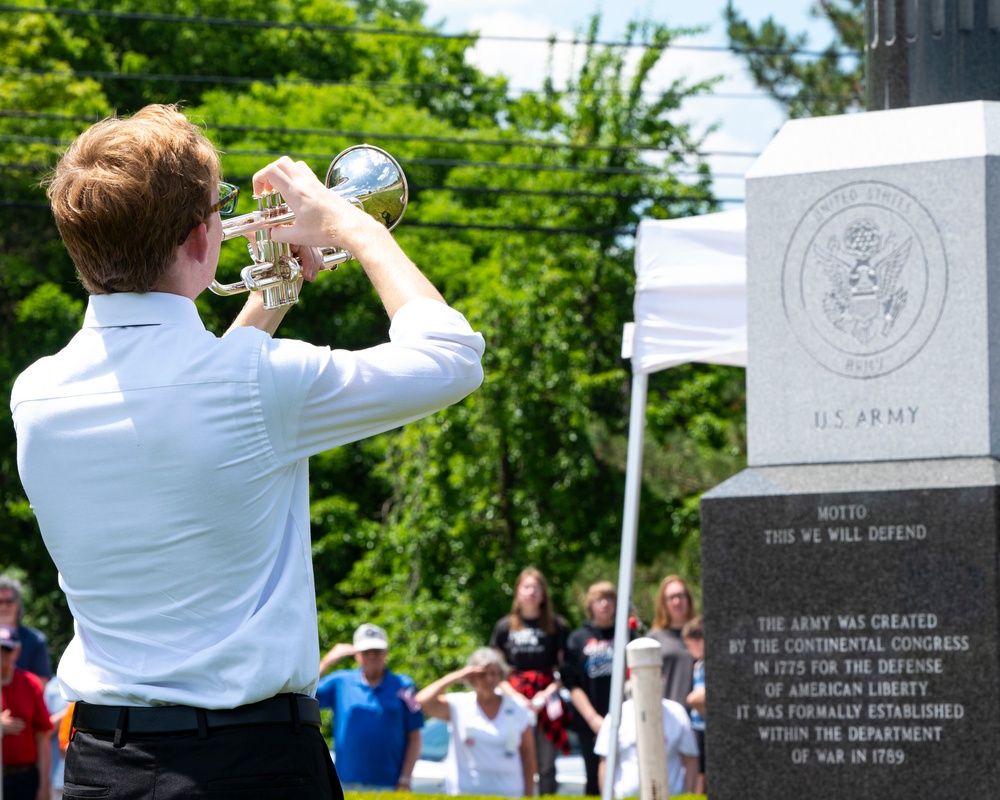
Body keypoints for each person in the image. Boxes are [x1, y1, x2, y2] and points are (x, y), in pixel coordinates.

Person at [10, 104, 485, 800]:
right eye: (220, 207)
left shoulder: (36, 393)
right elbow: (453, 358)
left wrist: (272, 297)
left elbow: (187, 409)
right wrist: (350, 224)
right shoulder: (257, 382)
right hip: (254, 763)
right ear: (203, 236)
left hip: (102, 766)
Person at [490, 567, 571, 795]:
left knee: (546, 764)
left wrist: (544, 696)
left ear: (544, 594)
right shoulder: (504, 626)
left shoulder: (557, 626)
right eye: (526, 587)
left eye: (536, 588)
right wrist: (516, 697)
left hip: (545, 700)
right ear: (517, 592)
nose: (531, 592)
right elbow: (494, 670)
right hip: (512, 699)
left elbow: (564, 670)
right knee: (513, 758)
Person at [416, 647, 536, 798]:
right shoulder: (459, 704)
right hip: (465, 793)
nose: (489, 679)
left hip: (510, 793)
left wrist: (529, 794)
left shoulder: (517, 708)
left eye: (494, 674)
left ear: (501, 676)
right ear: (472, 677)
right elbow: (422, 701)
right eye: (482, 674)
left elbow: (528, 755)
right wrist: (457, 675)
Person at [316, 623, 423, 790]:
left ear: (386, 653)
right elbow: (306, 693)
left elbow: (415, 735)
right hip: (346, 780)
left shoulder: (403, 685)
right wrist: (327, 661)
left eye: (377, 651)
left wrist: (405, 779)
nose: (372, 656)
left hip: (390, 782)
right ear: (356, 655)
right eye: (366, 652)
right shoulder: (341, 682)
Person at [562, 581, 630, 796]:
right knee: (595, 779)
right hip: (591, 722)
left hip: (626, 721)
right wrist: (593, 719)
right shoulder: (577, 638)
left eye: (610, 599)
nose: (605, 604)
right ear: (590, 604)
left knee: (627, 778)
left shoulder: (628, 634)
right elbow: (571, 683)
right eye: (599, 599)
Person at [593, 687, 699, 798]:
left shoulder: (676, 712)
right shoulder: (617, 714)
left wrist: (688, 795)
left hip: (671, 796)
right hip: (625, 796)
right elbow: (606, 763)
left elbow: (690, 759)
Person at [1, 624, 53, 800]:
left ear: (17, 652)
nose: (2, 654)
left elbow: (42, 736)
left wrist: (44, 785)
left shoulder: (30, 684)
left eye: (6, 649)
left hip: (25, 778)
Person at [647, 575, 697, 708]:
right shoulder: (654, 638)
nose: (677, 601)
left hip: (700, 720)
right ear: (663, 603)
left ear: (688, 599)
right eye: (671, 597)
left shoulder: (702, 633)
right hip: (668, 720)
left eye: (681, 595)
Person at [0, 575, 53, 683]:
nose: (4, 607)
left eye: (9, 601)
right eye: (0, 602)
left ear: (18, 604)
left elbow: (42, 683)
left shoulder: (35, 640)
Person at [682, 615, 706, 794]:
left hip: (704, 725)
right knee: (699, 767)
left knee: (702, 769)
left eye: (690, 645)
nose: (689, 650)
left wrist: (693, 699)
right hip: (697, 725)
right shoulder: (699, 664)